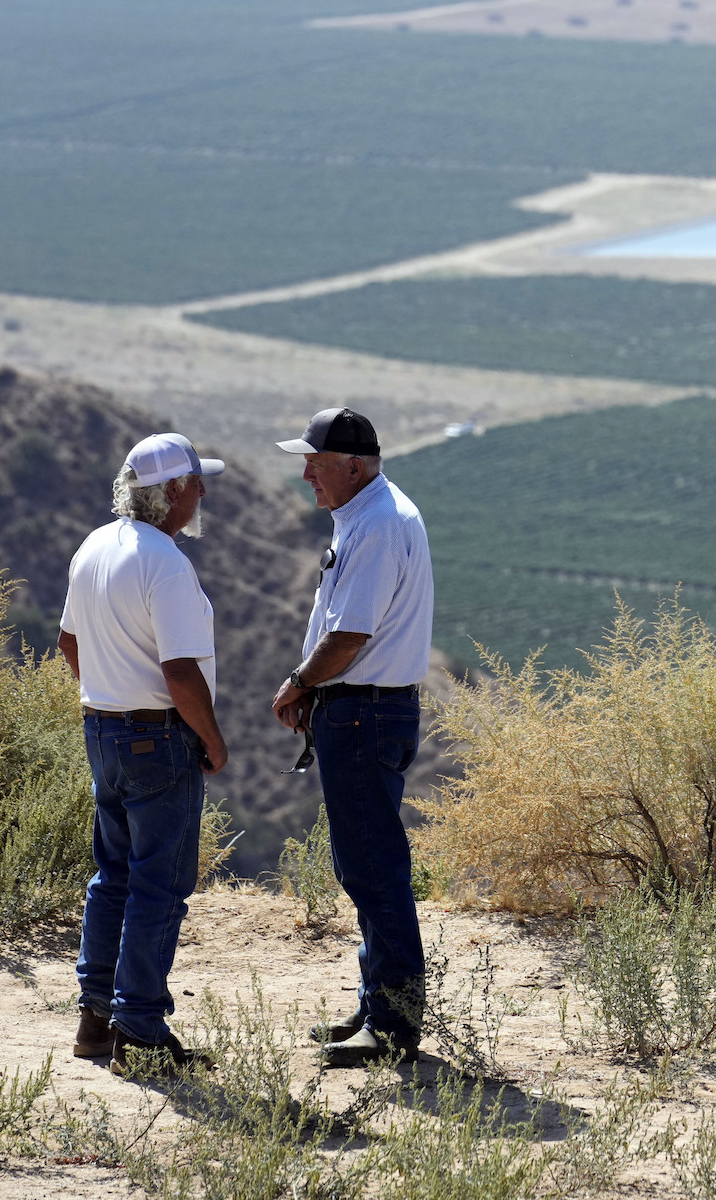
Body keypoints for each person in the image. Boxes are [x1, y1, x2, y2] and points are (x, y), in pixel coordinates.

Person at [59, 432, 230, 1075]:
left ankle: (95, 1019)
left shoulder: (94, 547)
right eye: (196, 482)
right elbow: (181, 671)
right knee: (161, 882)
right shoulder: (166, 562)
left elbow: (68, 642)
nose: (204, 492)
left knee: (115, 875)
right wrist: (211, 739)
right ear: (174, 492)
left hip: (101, 729)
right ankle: (143, 1029)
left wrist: (109, 691)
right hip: (157, 736)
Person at [270, 407, 435, 1066]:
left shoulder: (375, 525)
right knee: (366, 865)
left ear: (354, 466)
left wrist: (299, 683)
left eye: (315, 460)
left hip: (364, 715)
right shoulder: (375, 516)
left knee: (374, 868)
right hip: (368, 713)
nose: (306, 471)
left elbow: (349, 636)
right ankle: (377, 1010)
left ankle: (392, 1027)